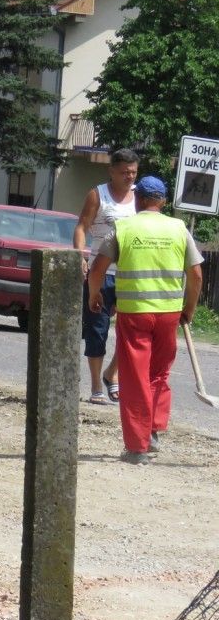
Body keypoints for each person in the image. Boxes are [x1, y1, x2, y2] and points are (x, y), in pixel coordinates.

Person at [88, 175, 203, 465]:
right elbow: (196, 275)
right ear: (162, 202)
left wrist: (94, 295)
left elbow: (98, 267)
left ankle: (137, 448)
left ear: (138, 199)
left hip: (135, 313)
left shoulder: (123, 228)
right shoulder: (178, 229)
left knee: (135, 378)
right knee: (158, 375)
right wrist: (189, 308)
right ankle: (153, 431)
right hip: (168, 314)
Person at [75, 148, 139, 405]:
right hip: (101, 273)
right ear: (112, 171)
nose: (129, 177)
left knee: (132, 331)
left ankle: (111, 374)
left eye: (133, 172)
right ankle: (95, 388)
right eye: (124, 172)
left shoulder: (140, 198)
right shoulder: (97, 194)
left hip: (130, 275)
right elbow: (82, 226)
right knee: (97, 329)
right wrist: (80, 254)